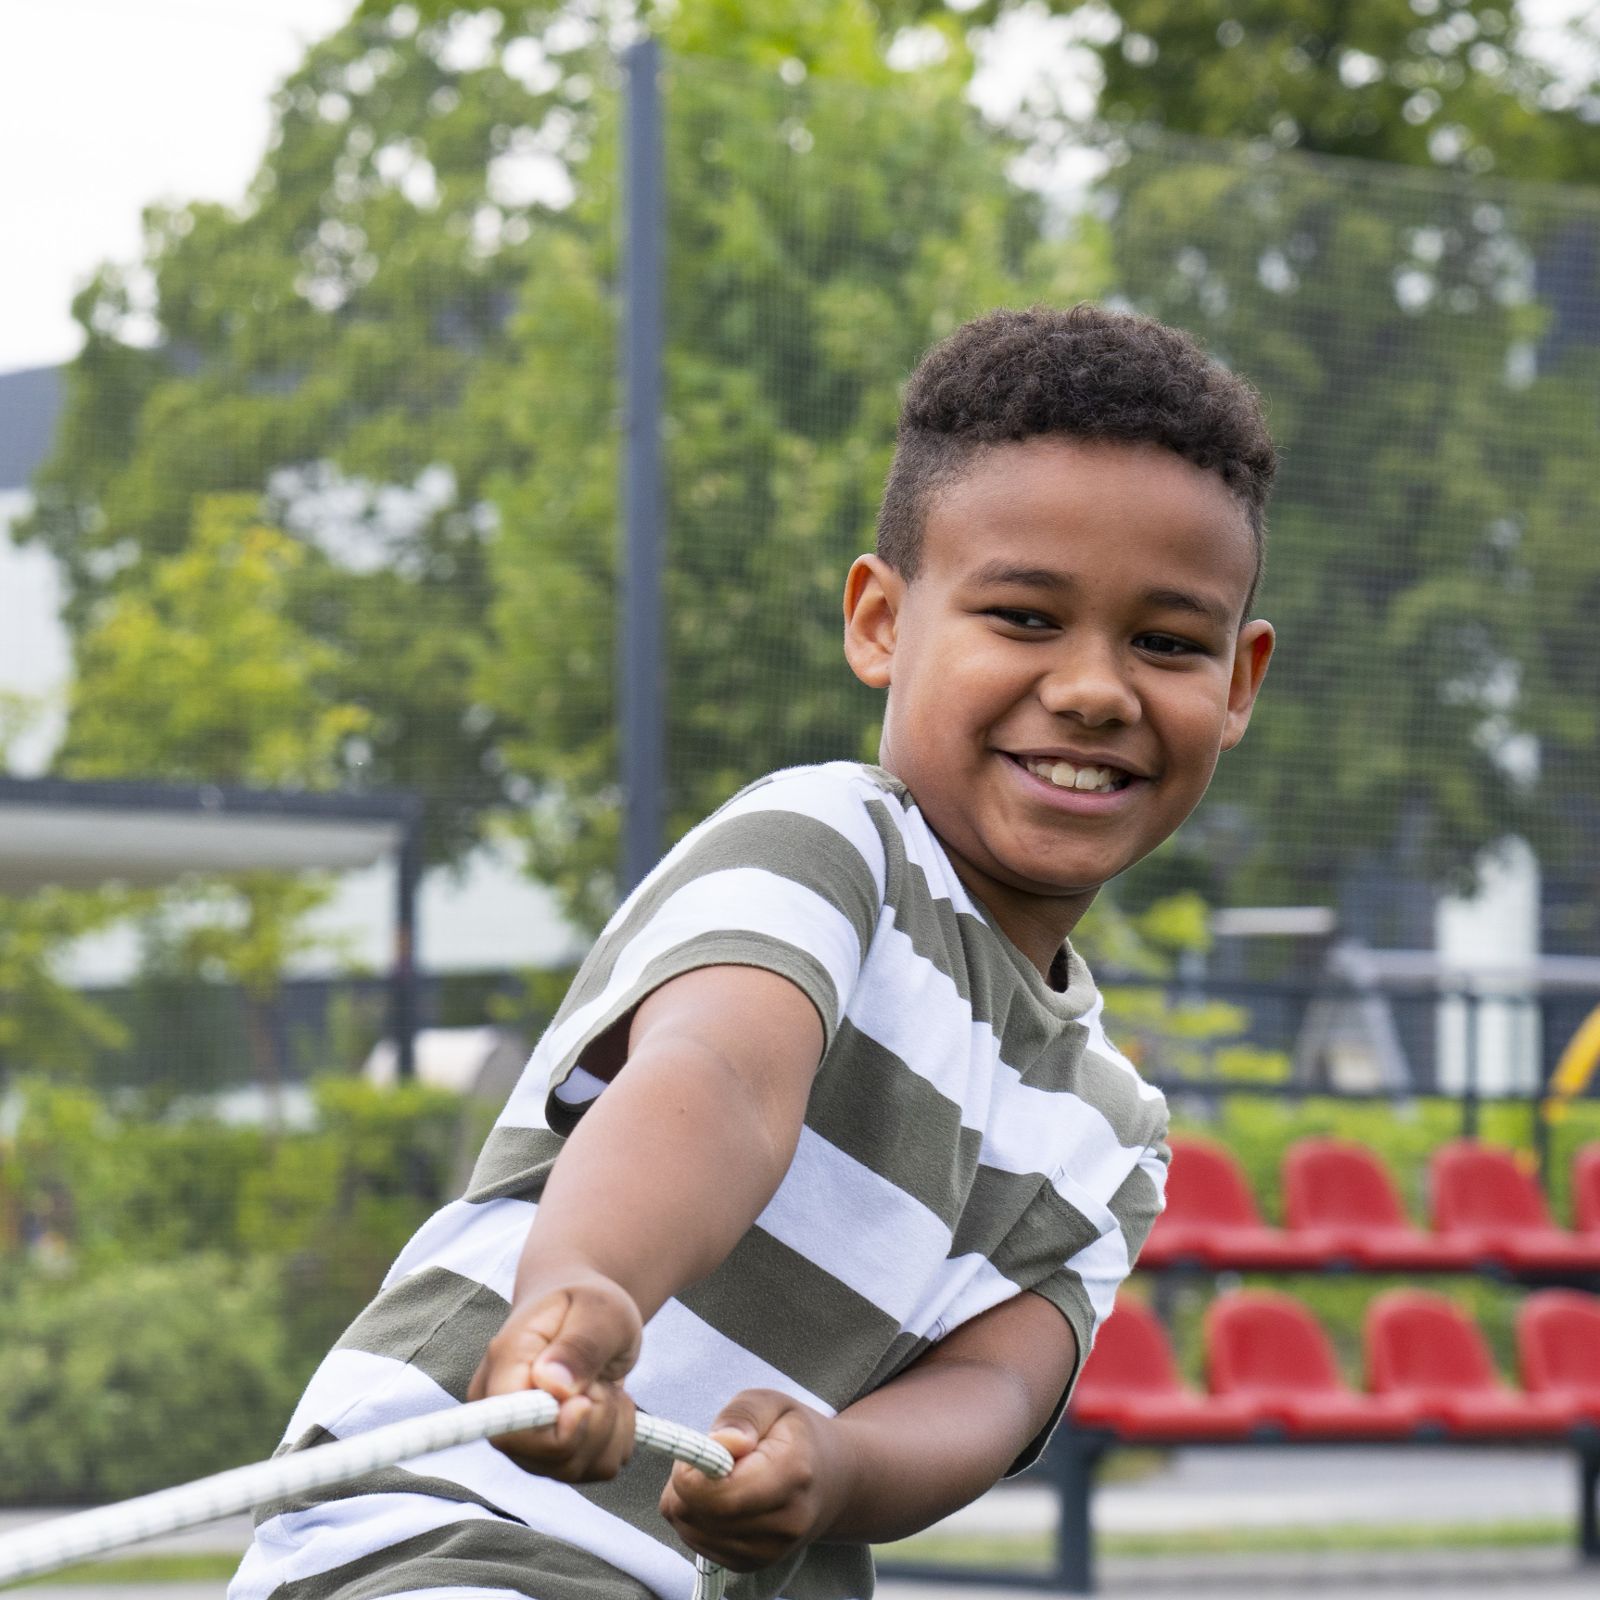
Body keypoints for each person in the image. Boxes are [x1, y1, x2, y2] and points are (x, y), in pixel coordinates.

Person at [230, 302, 1275, 1600]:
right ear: (881, 622)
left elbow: (994, 1388)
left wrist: (836, 1468)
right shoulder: (831, 846)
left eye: (1168, 643)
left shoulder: (1112, 1130)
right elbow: (720, 1079)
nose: (1094, 689)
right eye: (1022, 617)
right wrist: (590, 1294)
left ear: (1238, 683)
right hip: (460, 1530)